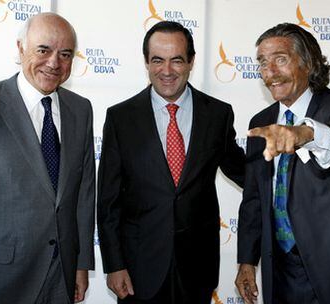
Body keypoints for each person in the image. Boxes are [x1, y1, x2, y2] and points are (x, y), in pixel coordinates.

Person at [97, 21, 245, 304]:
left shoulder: (218, 114)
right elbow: (108, 201)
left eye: (176, 60)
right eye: (157, 60)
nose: (166, 71)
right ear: (146, 62)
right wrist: (114, 265)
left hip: (197, 269)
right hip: (138, 270)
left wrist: (291, 171)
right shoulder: (121, 118)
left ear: (191, 61)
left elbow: (245, 174)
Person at [0, 13, 96, 304]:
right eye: (43, 50)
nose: (54, 63)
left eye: (65, 54)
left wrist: (81, 262)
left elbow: (83, 194)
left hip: (62, 275)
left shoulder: (81, 109)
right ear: (21, 48)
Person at [235, 23, 330, 304]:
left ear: (308, 63)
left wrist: (305, 133)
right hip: (283, 273)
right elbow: (254, 199)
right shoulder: (260, 123)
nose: (270, 72)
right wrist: (247, 261)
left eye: (280, 60)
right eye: (263, 63)